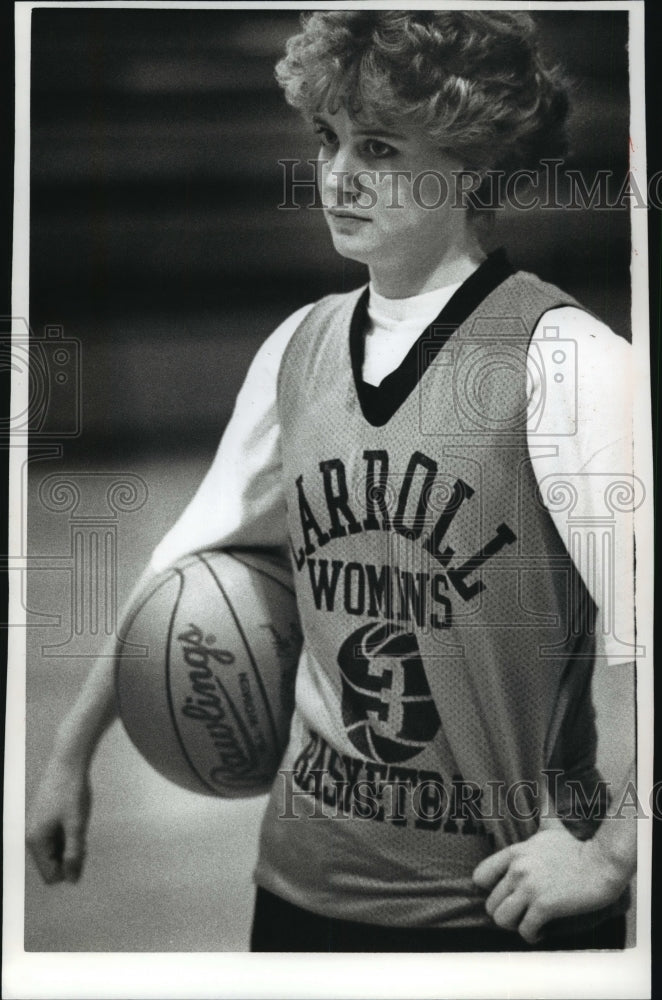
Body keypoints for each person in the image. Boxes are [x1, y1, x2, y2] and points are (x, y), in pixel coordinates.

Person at [27, 10, 637, 952]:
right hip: (299, 886)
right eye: (327, 139)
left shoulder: (568, 360)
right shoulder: (300, 346)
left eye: (379, 147)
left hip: (491, 903)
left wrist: (613, 853)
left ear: (472, 163)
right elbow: (185, 561)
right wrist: (71, 753)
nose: (338, 174)